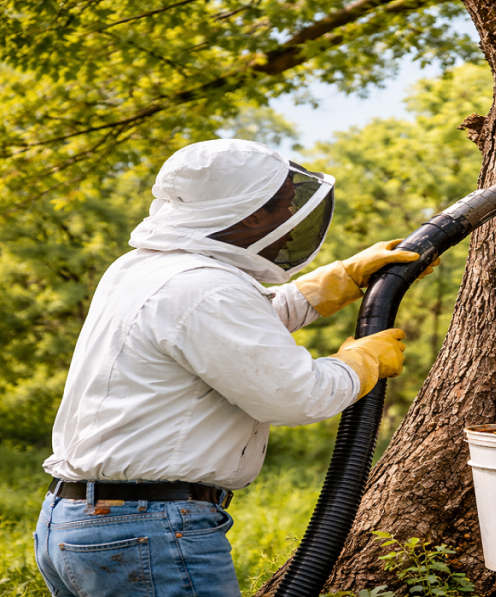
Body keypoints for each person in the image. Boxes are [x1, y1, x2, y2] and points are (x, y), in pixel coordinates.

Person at [33, 139, 437, 597]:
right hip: (149, 529)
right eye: (284, 208)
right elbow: (295, 394)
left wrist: (339, 281)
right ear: (250, 214)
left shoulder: (143, 270)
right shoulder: (205, 289)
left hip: (81, 524)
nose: (290, 223)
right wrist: (361, 363)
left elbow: (229, 333)